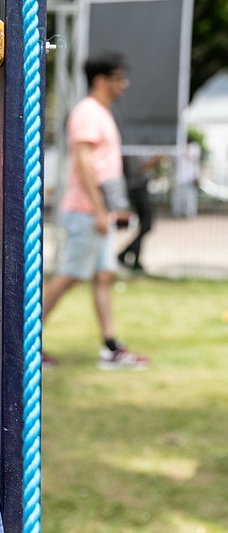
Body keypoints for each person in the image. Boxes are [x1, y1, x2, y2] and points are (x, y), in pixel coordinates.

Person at [43, 52, 148, 370]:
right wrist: (101, 210)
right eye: (119, 78)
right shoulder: (88, 113)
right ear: (101, 80)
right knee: (68, 276)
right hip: (86, 211)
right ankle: (22, 343)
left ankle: (111, 347)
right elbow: (85, 164)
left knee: (103, 275)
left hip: (97, 212)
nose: (124, 84)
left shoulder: (100, 112)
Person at [118, 154, 161, 272]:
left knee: (144, 226)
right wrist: (156, 160)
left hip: (140, 188)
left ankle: (135, 259)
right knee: (146, 225)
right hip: (137, 189)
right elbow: (139, 168)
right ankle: (125, 254)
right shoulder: (132, 150)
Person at [171, 134, 201, 218]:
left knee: (190, 197)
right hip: (179, 177)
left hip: (190, 177)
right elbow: (173, 161)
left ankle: (189, 214)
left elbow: (192, 158)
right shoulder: (177, 148)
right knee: (178, 196)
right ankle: (177, 213)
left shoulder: (194, 147)